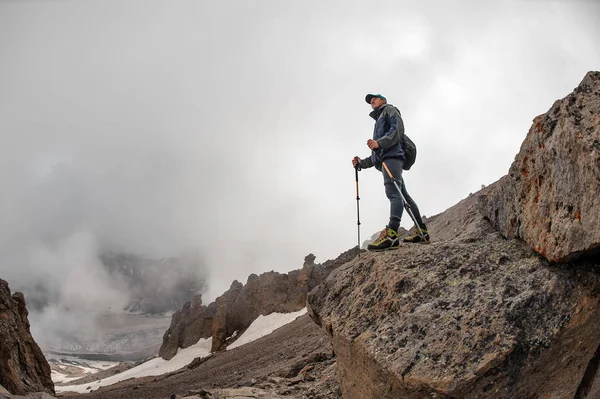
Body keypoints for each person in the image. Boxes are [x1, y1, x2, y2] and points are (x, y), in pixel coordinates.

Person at [352, 93, 429, 251]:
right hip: (389, 158)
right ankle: (421, 231)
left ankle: (391, 235)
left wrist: (379, 143)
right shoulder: (380, 119)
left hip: (392, 158)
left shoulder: (389, 110)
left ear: (383, 100)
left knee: (393, 193)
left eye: (374, 98)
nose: (371, 101)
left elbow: (397, 130)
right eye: (370, 101)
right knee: (402, 195)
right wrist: (361, 164)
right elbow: (376, 155)